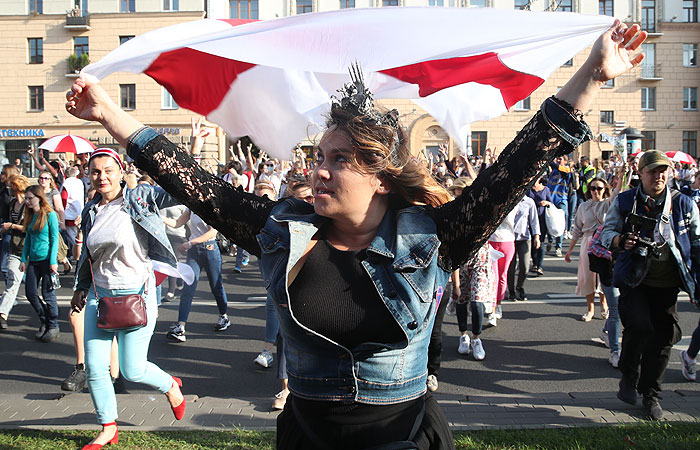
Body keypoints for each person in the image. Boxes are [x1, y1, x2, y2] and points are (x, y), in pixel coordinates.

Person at [67, 20, 646, 448]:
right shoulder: (280, 233)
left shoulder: (434, 236)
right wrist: (112, 117)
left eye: (338, 160)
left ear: (381, 176)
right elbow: (199, 185)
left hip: (405, 436)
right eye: (319, 156)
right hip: (308, 438)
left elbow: (518, 166)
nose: (318, 169)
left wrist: (592, 78)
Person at [69, 148, 185, 449]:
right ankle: (108, 427)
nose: (102, 177)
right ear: (88, 176)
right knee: (96, 368)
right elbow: (88, 257)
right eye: (95, 172)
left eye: (108, 170)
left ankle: (171, 385)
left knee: (133, 369)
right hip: (99, 296)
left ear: (121, 171)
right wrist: (80, 288)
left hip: (137, 295)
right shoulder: (91, 209)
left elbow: (177, 189)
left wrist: (188, 152)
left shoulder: (140, 197)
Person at [601, 150, 699, 420]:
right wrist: (622, 241)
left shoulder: (683, 204)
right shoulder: (625, 201)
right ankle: (629, 375)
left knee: (665, 335)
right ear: (641, 173)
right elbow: (606, 233)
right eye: (652, 171)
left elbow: (697, 243)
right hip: (635, 279)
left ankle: (651, 394)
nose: (658, 176)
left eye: (663, 171)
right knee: (640, 326)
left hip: (668, 283)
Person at [163, 207, 231, 343]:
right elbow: (177, 223)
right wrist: (160, 218)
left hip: (210, 249)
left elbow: (212, 233)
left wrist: (188, 243)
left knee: (216, 286)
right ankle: (180, 326)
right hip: (194, 251)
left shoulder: (212, 207)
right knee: (188, 287)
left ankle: (224, 316)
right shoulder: (191, 207)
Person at [564, 175, 623, 321]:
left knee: (603, 275)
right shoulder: (583, 206)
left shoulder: (608, 204)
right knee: (587, 277)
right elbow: (577, 228)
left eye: (599, 188)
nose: (596, 191)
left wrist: (622, 176)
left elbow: (617, 192)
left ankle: (604, 304)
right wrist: (570, 250)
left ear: (604, 190)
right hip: (587, 242)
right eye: (593, 188)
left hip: (604, 242)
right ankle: (590, 309)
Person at [20, 185, 60, 342]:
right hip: (33, 260)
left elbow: (54, 238)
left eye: (30, 198)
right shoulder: (30, 215)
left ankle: (53, 325)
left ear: (39, 198)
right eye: (26, 198)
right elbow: (28, 238)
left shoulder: (50, 215)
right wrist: (24, 258)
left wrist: (53, 261)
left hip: (46, 259)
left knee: (48, 294)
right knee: (30, 293)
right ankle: (44, 320)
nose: (28, 201)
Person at [0, 175, 29, 329]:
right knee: (13, 281)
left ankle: (48, 320)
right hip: (15, 248)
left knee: (34, 291)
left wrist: (11, 226)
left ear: (17, 187)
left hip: (30, 248)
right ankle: (3, 314)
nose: (9, 188)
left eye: (11, 186)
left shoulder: (29, 204)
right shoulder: (12, 203)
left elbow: (31, 228)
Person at [507, 195, 540, 301]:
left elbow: (534, 221)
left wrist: (536, 236)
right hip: (509, 238)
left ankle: (519, 287)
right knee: (511, 267)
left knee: (525, 266)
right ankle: (511, 290)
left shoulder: (529, 202)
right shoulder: (509, 199)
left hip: (524, 238)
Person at [528, 176, 552, 276]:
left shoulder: (545, 189)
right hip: (530, 219)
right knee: (532, 242)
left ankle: (540, 266)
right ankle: (534, 263)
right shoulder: (528, 190)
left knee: (540, 242)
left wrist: (546, 203)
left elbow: (551, 202)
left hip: (542, 219)